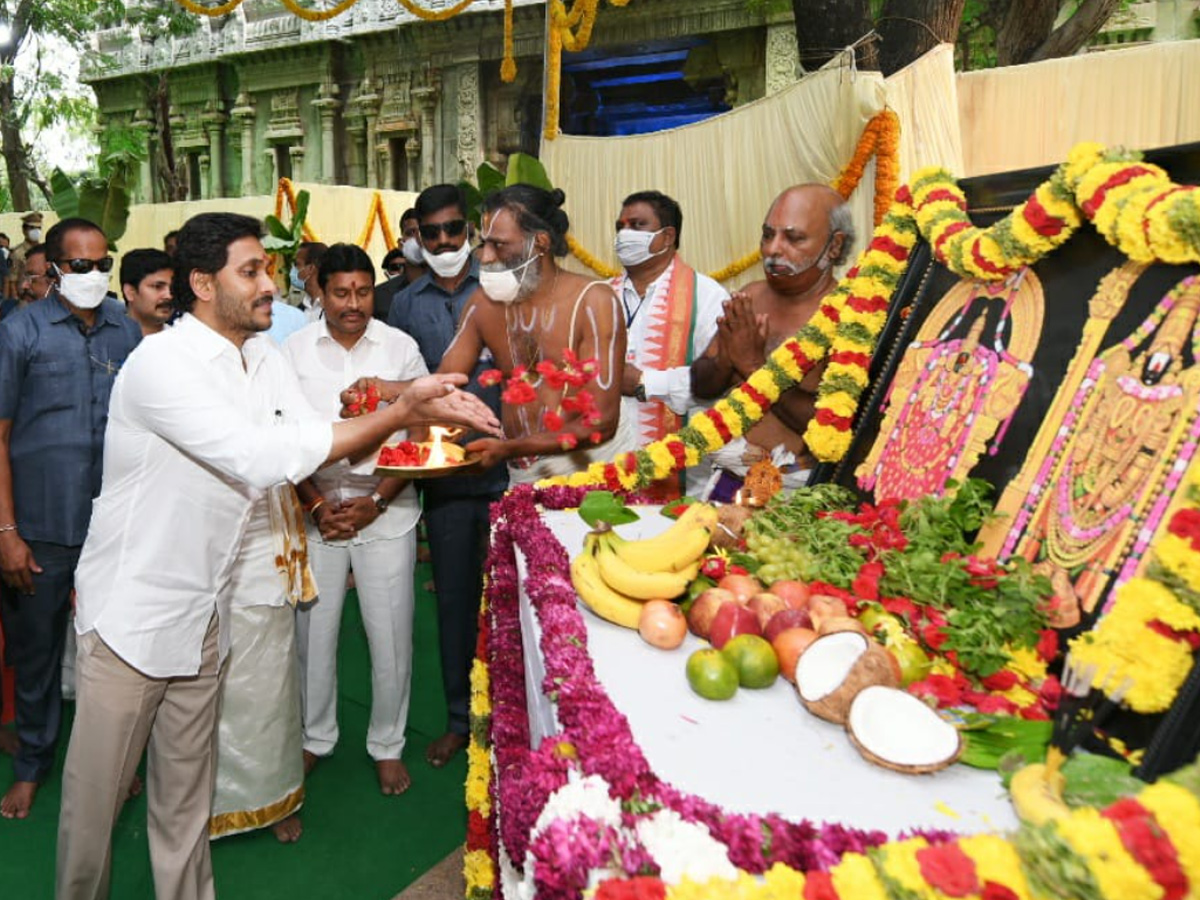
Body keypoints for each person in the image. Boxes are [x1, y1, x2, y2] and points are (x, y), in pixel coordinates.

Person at [54, 212, 499, 900]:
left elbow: (315, 433)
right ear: (203, 284)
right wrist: (402, 410)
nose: (272, 285)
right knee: (96, 809)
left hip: (206, 608)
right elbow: (259, 456)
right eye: (252, 272)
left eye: (268, 269)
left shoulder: (261, 358)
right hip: (132, 617)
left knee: (183, 797)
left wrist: (417, 407)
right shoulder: (160, 365)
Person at [0, 218, 143, 820]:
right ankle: (33, 765)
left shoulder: (126, 331)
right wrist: (6, 533)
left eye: (101, 265)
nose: (93, 276)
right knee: (37, 653)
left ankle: (121, 763)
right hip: (41, 527)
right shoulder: (19, 331)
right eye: (80, 266)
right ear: (54, 270)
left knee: (118, 651)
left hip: (115, 524)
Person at [285, 243, 428, 795]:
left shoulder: (400, 349)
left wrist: (380, 500)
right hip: (315, 511)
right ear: (319, 291)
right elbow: (279, 436)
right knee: (312, 637)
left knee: (390, 634)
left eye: (363, 292)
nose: (353, 303)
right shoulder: (292, 351)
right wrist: (318, 505)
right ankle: (314, 737)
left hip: (386, 511)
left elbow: (421, 434)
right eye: (341, 292)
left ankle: (387, 743)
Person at [386, 184, 506, 768]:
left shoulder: (506, 288)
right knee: (455, 601)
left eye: (452, 230)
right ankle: (462, 719)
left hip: (514, 466)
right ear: (418, 237)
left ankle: (514, 718)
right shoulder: (407, 303)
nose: (442, 242)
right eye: (429, 233)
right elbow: (411, 394)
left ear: (473, 231)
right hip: (447, 475)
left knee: (511, 599)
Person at [691, 184, 854, 499]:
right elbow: (701, 385)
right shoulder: (751, 296)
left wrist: (754, 368)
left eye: (793, 238)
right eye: (768, 235)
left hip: (797, 492)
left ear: (834, 246)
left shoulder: (851, 316)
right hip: (729, 479)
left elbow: (834, 428)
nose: (772, 250)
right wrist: (727, 358)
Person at [611, 191, 727, 500]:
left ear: (667, 236)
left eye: (637, 225)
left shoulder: (707, 296)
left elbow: (719, 379)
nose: (625, 235)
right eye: (620, 226)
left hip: (682, 477)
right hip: (605, 468)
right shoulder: (599, 295)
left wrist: (643, 382)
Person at [373, 209, 425, 321]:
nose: (418, 238)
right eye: (411, 233)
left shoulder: (448, 287)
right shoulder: (380, 296)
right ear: (401, 244)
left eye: (423, 231)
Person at [119, 249, 175, 336]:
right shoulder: (104, 343)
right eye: (158, 286)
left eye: (172, 287)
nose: (169, 295)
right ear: (130, 292)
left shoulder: (185, 344)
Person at [7, 212, 43, 298]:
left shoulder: (45, 249)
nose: (36, 231)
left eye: (39, 228)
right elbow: (12, 280)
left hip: (43, 296)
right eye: (32, 228)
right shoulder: (17, 253)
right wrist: (16, 300)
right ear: (24, 230)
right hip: (24, 297)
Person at [292, 242, 328, 321]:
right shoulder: (299, 310)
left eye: (297, 264)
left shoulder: (333, 309)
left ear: (311, 268)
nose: (293, 271)